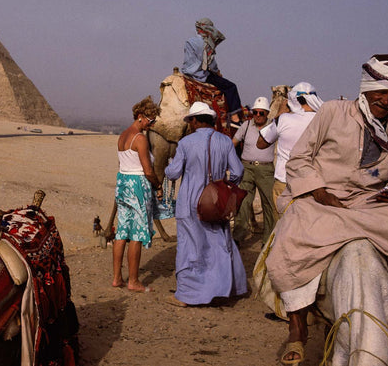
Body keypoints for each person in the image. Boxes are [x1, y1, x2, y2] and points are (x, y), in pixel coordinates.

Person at [265, 55, 388, 365]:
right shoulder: (333, 112)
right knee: (294, 230)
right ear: (367, 89)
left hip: (370, 204)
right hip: (321, 198)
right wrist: (318, 190)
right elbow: (300, 159)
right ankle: (297, 325)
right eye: (381, 93)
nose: (387, 101)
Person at [164, 102, 247, 306]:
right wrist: (224, 187)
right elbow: (237, 171)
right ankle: (223, 289)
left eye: (191, 120)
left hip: (190, 202)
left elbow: (173, 173)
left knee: (189, 246)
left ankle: (188, 295)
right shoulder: (226, 142)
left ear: (195, 120)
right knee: (218, 244)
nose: (190, 124)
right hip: (216, 201)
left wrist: (168, 166)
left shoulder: (185, 143)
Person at [112, 96, 162, 293]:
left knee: (122, 232)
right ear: (140, 116)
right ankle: (133, 281)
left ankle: (117, 278)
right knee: (137, 234)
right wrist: (158, 185)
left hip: (123, 183)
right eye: (151, 120)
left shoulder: (123, 135)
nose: (152, 124)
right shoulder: (140, 139)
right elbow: (148, 170)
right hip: (138, 186)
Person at [256, 82, 323, 208]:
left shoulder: (283, 119)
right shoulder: (323, 121)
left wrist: (280, 113)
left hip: (284, 183)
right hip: (314, 185)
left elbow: (261, 143)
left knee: (283, 225)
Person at [181, 18, 243, 126]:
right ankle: (235, 118)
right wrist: (217, 72)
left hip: (187, 74)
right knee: (231, 87)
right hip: (201, 75)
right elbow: (211, 64)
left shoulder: (189, 42)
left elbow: (188, 61)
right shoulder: (207, 44)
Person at [232, 96, 276, 245]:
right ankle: (238, 237)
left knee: (269, 204)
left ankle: (268, 240)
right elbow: (233, 143)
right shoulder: (246, 125)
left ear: (267, 113)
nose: (257, 116)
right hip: (247, 168)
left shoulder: (274, 126)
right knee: (243, 201)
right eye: (255, 112)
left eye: (261, 113)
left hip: (266, 170)